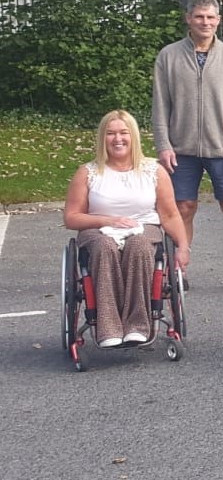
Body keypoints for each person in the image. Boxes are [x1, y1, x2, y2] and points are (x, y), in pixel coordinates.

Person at [151, 0, 223, 294]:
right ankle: (178, 271)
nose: (205, 22)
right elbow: (160, 105)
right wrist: (163, 144)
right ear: (188, 19)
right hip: (181, 149)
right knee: (183, 208)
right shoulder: (169, 56)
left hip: (221, 148)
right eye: (199, 16)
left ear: (218, 20)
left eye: (211, 17)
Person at [63, 111, 191, 348]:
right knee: (104, 247)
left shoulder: (154, 170)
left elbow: (170, 214)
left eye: (123, 133)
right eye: (110, 133)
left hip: (144, 227)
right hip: (98, 230)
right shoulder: (87, 172)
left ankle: (137, 325)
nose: (117, 139)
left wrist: (183, 246)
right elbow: (71, 217)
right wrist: (108, 220)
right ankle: (108, 328)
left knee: (139, 246)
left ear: (133, 136)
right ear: (102, 138)